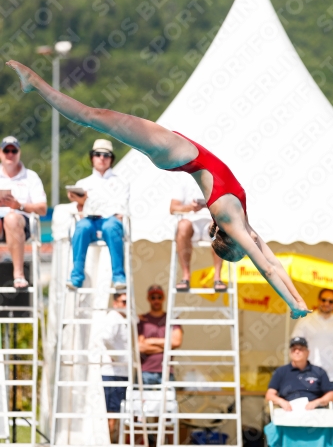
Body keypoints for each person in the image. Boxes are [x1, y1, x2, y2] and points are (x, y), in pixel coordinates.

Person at [6, 60, 311, 318]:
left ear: (232, 241)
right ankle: (36, 84)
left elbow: (267, 270)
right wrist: (298, 302)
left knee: (94, 117)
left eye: (243, 248)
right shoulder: (240, 224)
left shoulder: (229, 217)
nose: (251, 246)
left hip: (172, 151)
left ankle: (35, 83)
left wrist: (291, 304)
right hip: (177, 151)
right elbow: (272, 262)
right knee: (96, 118)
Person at [66, 138, 129, 289]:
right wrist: (81, 202)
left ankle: (119, 276)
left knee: (111, 226)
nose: (102, 158)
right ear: (92, 157)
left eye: (106, 155)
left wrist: (88, 203)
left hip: (110, 222)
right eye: (98, 154)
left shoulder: (122, 182)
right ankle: (76, 276)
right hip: (90, 223)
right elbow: (81, 212)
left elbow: (120, 212)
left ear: (111, 159)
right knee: (81, 227)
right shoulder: (83, 183)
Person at [0, 135, 47, 288]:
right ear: (1, 153)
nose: (10, 154)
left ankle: (18, 273)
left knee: (12, 218)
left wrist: (19, 205)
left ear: (19, 152)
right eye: (6, 150)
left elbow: (42, 209)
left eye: (13, 150)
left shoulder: (31, 177)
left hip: (21, 224)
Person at [170, 173, 225, 292]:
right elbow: (173, 208)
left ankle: (217, 277)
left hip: (210, 221)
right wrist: (190, 207)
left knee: (219, 228)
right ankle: (185, 276)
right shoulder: (183, 178)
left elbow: (225, 207)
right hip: (191, 223)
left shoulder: (216, 178)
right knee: (183, 226)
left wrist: (207, 206)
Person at [265, 336, 333, 411]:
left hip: (315, 412)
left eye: (300, 349)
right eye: (294, 349)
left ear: (307, 352)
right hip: (288, 412)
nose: (297, 351)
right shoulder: (281, 371)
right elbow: (269, 395)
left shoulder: (319, 371)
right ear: (290, 353)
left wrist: (317, 402)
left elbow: (330, 394)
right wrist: (282, 402)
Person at [138, 285, 182, 385]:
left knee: (168, 400)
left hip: (167, 371)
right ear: (148, 299)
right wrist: (166, 346)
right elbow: (140, 347)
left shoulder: (172, 319)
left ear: (164, 298)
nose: (156, 300)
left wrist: (151, 341)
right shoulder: (142, 320)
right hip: (145, 371)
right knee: (144, 400)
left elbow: (176, 341)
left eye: (159, 297)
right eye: (153, 297)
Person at [100, 292, 128, 441]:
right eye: (124, 301)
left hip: (121, 373)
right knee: (111, 414)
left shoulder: (123, 319)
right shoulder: (113, 318)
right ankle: (108, 442)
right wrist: (115, 356)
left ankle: (111, 441)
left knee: (116, 414)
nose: (127, 305)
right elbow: (105, 337)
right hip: (112, 373)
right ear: (115, 302)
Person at [291, 288, 333, 381]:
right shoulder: (305, 320)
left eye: (331, 301)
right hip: (309, 374)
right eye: (324, 300)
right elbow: (295, 346)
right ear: (318, 300)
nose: (327, 303)